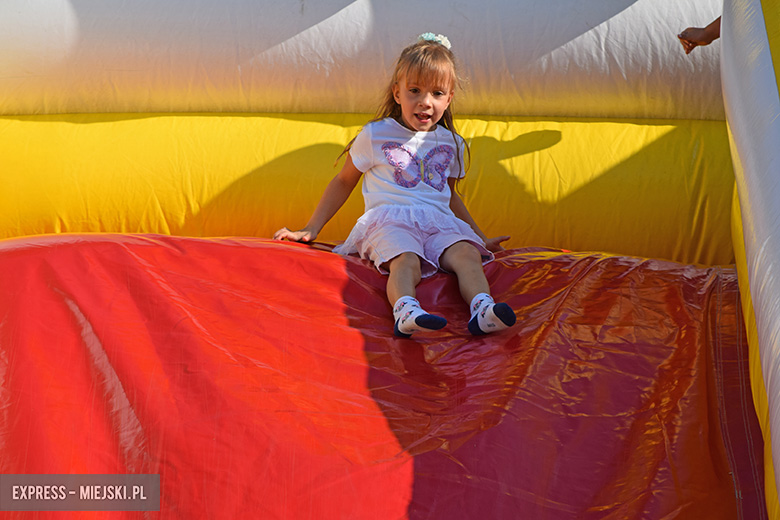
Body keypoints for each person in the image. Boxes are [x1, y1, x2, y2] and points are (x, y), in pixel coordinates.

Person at [274, 33, 516, 339]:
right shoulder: (377, 134)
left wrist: (479, 237)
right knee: (406, 259)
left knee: (467, 255)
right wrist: (311, 228)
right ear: (397, 92)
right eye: (415, 90)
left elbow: (450, 195)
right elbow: (344, 180)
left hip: (437, 223)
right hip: (390, 219)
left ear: (449, 98)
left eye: (437, 93)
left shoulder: (452, 143)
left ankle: (483, 310)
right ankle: (406, 310)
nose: (425, 102)